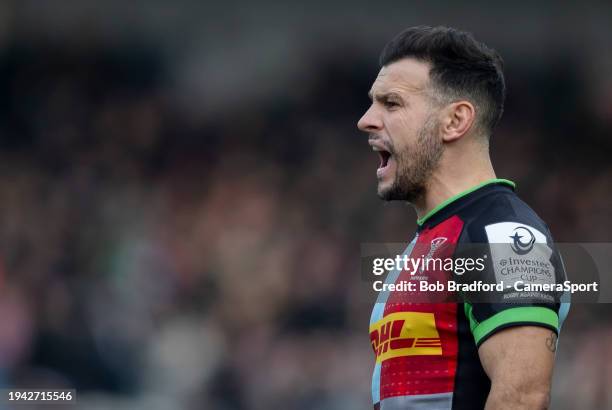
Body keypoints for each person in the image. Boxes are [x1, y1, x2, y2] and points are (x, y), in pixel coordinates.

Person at [357, 26, 570, 410]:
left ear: (455, 120)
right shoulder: (426, 243)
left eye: (391, 104)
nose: (366, 120)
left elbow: (522, 396)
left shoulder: (505, 234)